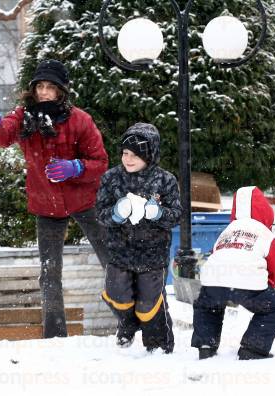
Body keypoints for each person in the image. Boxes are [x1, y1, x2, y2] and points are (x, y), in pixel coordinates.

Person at [0, 59, 110, 338]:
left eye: (51, 88)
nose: (45, 93)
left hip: (84, 200)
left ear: (61, 91)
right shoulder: (24, 117)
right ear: (33, 90)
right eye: (40, 87)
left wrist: (77, 167)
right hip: (46, 203)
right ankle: (55, 335)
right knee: (49, 272)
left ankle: (132, 319)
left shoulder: (79, 120)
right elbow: (4, 134)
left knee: (112, 259)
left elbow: (100, 161)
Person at [95, 123, 182, 353]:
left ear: (149, 155)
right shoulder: (111, 178)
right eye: (125, 153)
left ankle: (159, 346)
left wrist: (158, 214)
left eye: (135, 155)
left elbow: (176, 216)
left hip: (152, 254)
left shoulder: (165, 180)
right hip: (119, 251)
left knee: (149, 305)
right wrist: (115, 214)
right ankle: (128, 323)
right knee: (115, 294)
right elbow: (100, 214)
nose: (129, 159)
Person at [191, 186, 275, 360]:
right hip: (249, 286)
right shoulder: (265, 233)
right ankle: (253, 348)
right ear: (266, 212)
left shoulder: (227, 231)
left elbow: (215, 254)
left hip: (214, 281)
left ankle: (206, 345)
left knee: (207, 306)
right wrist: (269, 287)